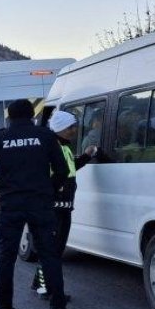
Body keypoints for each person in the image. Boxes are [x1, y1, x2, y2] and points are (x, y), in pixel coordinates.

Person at [0, 99, 70, 309]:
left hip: (10, 205)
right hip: (41, 204)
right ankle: (58, 306)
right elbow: (62, 171)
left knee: (6, 257)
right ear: (32, 115)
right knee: (49, 255)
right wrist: (49, 190)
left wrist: (2, 189)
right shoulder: (45, 136)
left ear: (9, 117)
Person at [32, 110, 99, 297]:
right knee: (53, 250)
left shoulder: (64, 147)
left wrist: (86, 156)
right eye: (71, 127)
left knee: (53, 248)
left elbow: (70, 168)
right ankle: (46, 288)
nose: (75, 130)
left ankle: (39, 282)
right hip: (55, 207)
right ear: (61, 128)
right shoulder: (51, 147)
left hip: (64, 206)